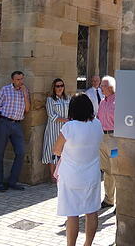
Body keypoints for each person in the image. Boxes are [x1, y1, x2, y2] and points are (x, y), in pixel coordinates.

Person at [53, 94, 103, 246]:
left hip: (71, 176)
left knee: (72, 214)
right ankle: (88, 244)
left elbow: (56, 149)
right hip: (92, 174)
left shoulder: (69, 127)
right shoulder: (97, 124)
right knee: (92, 211)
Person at [0, 70, 31, 192]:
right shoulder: (5, 90)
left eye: (22, 79)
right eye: (18, 79)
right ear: (13, 80)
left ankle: (13, 181)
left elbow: (27, 109)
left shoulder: (25, 91)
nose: (20, 82)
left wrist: (25, 94)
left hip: (17, 124)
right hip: (4, 122)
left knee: (20, 152)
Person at [42, 78, 70, 179]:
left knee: (64, 151)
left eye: (61, 85)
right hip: (54, 129)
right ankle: (52, 176)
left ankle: (62, 175)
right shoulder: (50, 100)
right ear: (54, 87)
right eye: (57, 86)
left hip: (66, 129)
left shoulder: (67, 99)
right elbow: (51, 116)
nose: (60, 88)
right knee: (52, 151)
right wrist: (66, 120)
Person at [97, 75, 116, 208]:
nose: (100, 88)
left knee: (116, 170)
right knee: (107, 170)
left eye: (103, 86)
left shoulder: (118, 102)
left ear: (110, 87)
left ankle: (120, 204)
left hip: (114, 140)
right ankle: (109, 199)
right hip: (102, 139)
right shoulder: (102, 102)